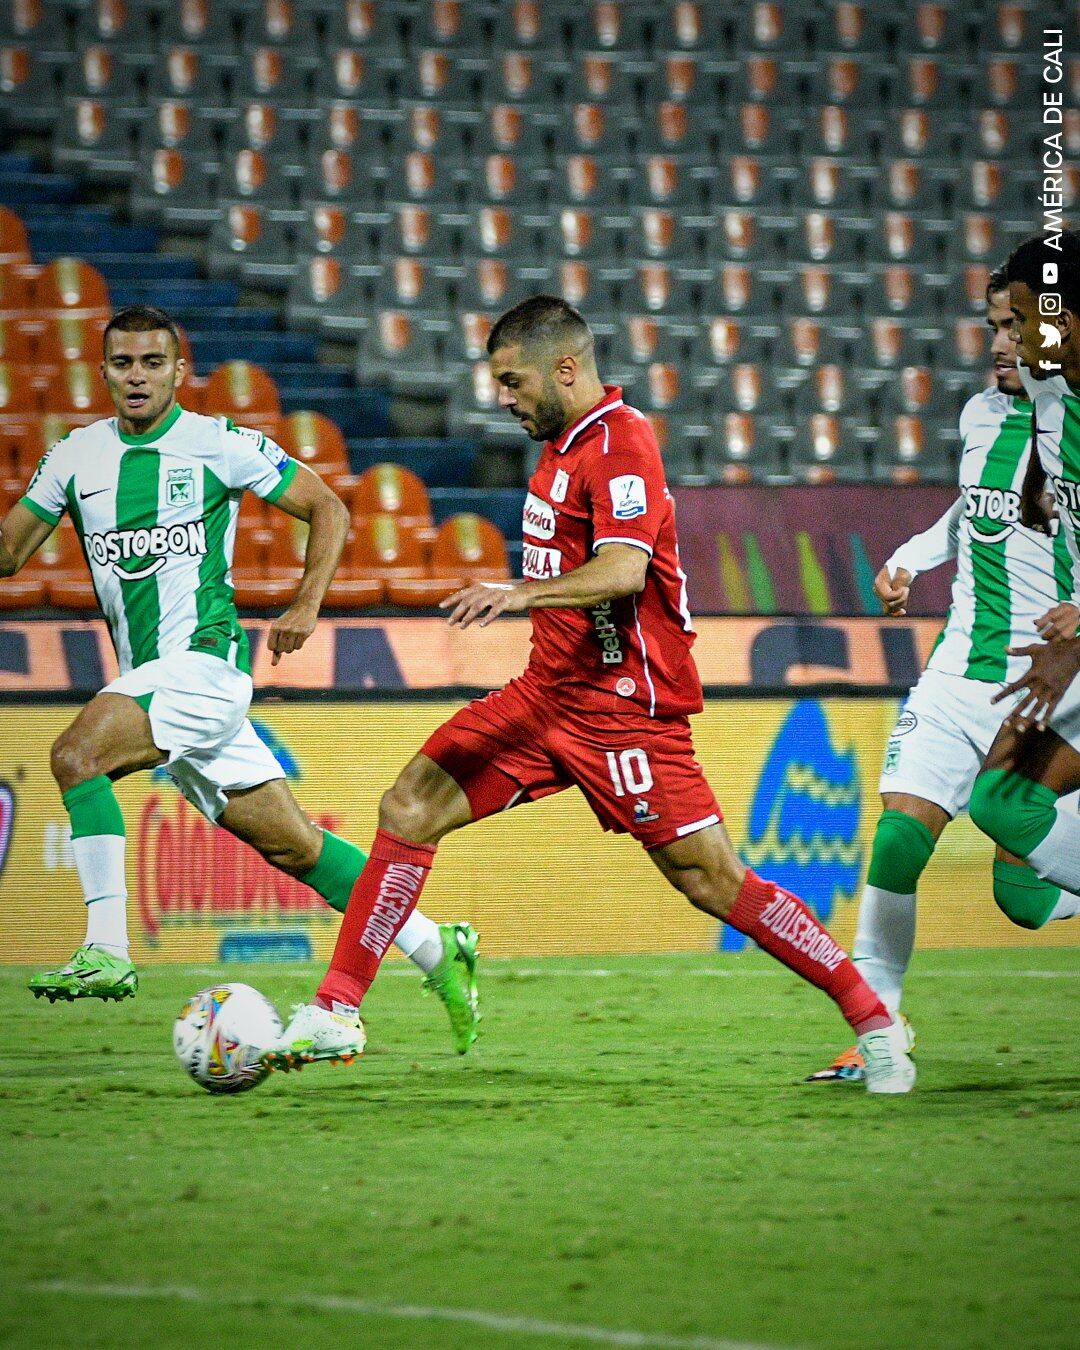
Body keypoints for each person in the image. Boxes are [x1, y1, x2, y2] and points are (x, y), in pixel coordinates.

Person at [265, 295, 916, 1094]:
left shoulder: (621, 441)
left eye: (513, 381)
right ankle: (338, 1008)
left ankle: (876, 1023)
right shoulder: (560, 447)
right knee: (409, 806)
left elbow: (625, 569)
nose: (503, 398)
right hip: (546, 696)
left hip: (623, 709)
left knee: (711, 880)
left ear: (565, 369)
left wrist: (518, 594)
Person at [1, 305, 479, 1053]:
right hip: (154, 681)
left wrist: (307, 602)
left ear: (177, 371)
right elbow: (9, 553)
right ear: (103, 372)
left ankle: (107, 948)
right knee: (297, 848)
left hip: (205, 666)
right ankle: (435, 946)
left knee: (75, 755)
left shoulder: (216, 442)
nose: (137, 377)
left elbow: (326, 506)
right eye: (123, 363)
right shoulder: (73, 457)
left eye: (152, 363)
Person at [808, 270, 1080, 1083]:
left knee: (1020, 891)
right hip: (958, 669)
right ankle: (879, 1032)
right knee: (899, 837)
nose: (1001, 342)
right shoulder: (978, 415)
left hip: (1047, 679)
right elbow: (970, 508)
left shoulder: (1067, 419)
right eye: (993, 325)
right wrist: (911, 557)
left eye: (1015, 325)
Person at [965, 231, 1080, 895]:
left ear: (1064, 322)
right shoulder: (1047, 390)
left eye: (1021, 322)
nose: (1006, 343)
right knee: (1001, 801)